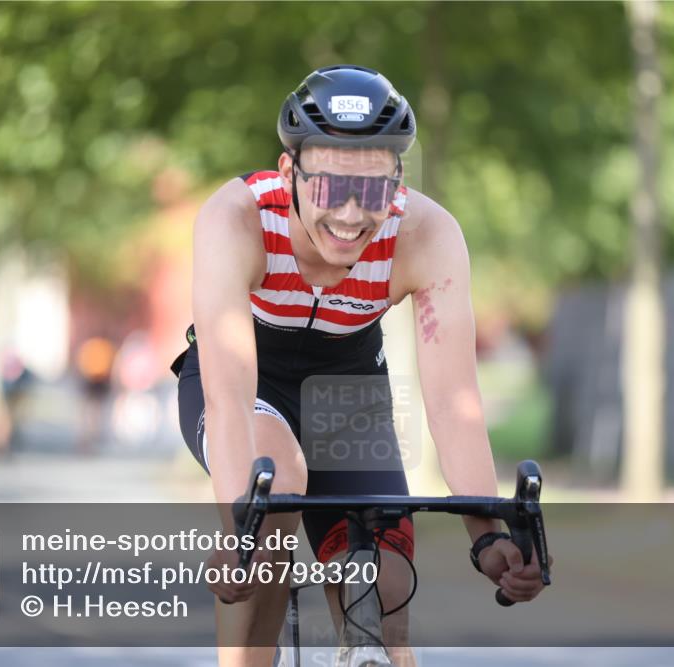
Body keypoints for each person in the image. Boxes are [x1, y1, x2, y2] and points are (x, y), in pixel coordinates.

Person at [170, 65, 549, 667]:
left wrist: (489, 536)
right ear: (288, 170)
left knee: (387, 588)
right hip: (248, 381)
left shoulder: (424, 233)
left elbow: (454, 400)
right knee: (275, 502)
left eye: (372, 190)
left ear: (397, 180)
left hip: (347, 390)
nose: (350, 214)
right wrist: (239, 532)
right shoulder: (236, 217)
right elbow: (231, 395)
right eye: (328, 187)